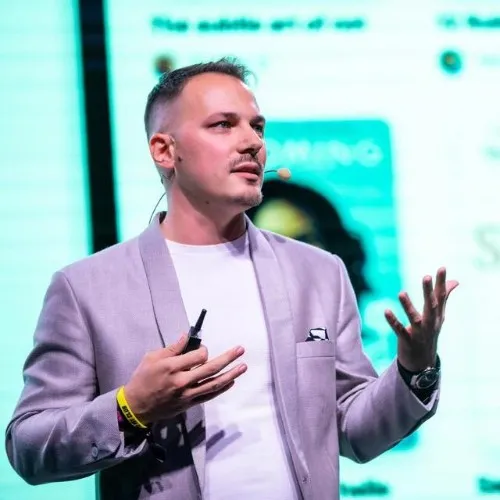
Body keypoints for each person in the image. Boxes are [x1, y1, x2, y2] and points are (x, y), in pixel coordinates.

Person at [5, 58, 459, 500]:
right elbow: (28, 447)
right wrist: (131, 408)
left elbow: (354, 431)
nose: (252, 143)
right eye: (223, 125)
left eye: (257, 127)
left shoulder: (319, 272)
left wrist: (413, 370)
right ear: (164, 150)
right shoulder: (86, 288)